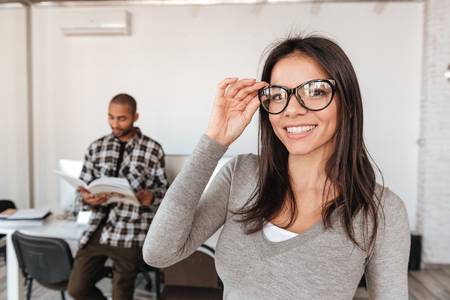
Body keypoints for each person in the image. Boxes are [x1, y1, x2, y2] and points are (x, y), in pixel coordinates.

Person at [143, 35, 410, 299]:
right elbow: (159, 252)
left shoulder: (382, 211)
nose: (291, 110)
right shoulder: (241, 175)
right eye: (278, 95)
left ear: (349, 104)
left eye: (316, 91)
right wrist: (214, 141)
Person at [68, 94, 168, 300]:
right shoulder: (96, 147)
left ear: (135, 116)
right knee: (76, 289)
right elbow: (80, 191)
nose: (115, 123)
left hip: (131, 231)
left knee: (121, 295)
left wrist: (152, 196)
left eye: (121, 118)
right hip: (97, 228)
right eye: (111, 117)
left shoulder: (153, 149)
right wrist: (87, 199)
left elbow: (164, 191)